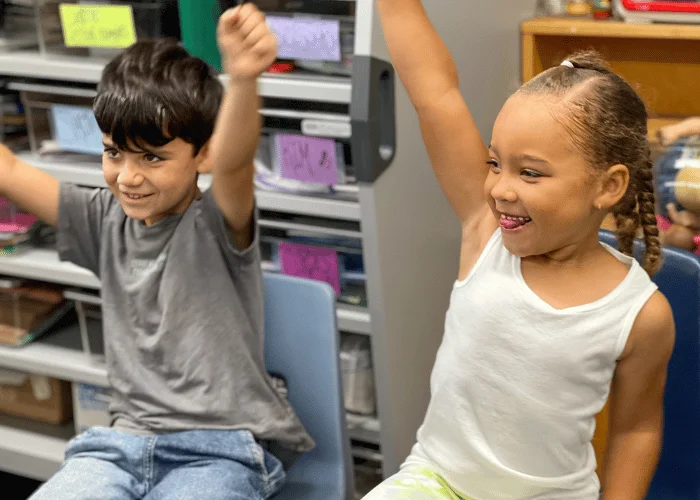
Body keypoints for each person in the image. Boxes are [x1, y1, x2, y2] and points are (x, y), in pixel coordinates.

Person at [0, 5, 314, 499]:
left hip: (221, 448)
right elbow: (13, 173)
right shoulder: (101, 218)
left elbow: (234, 165)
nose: (128, 176)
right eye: (113, 152)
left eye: (152, 157)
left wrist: (243, 79)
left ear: (202, 154)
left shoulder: (216, 220)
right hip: (118, 446)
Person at [367, 1, 676, 499]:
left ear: (608, 185)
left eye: (529, 172)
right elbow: (435, 93)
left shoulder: (642, 314)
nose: (500, 189)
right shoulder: (484, 230)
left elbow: (636, 430)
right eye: (494, 163)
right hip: (437, 482)